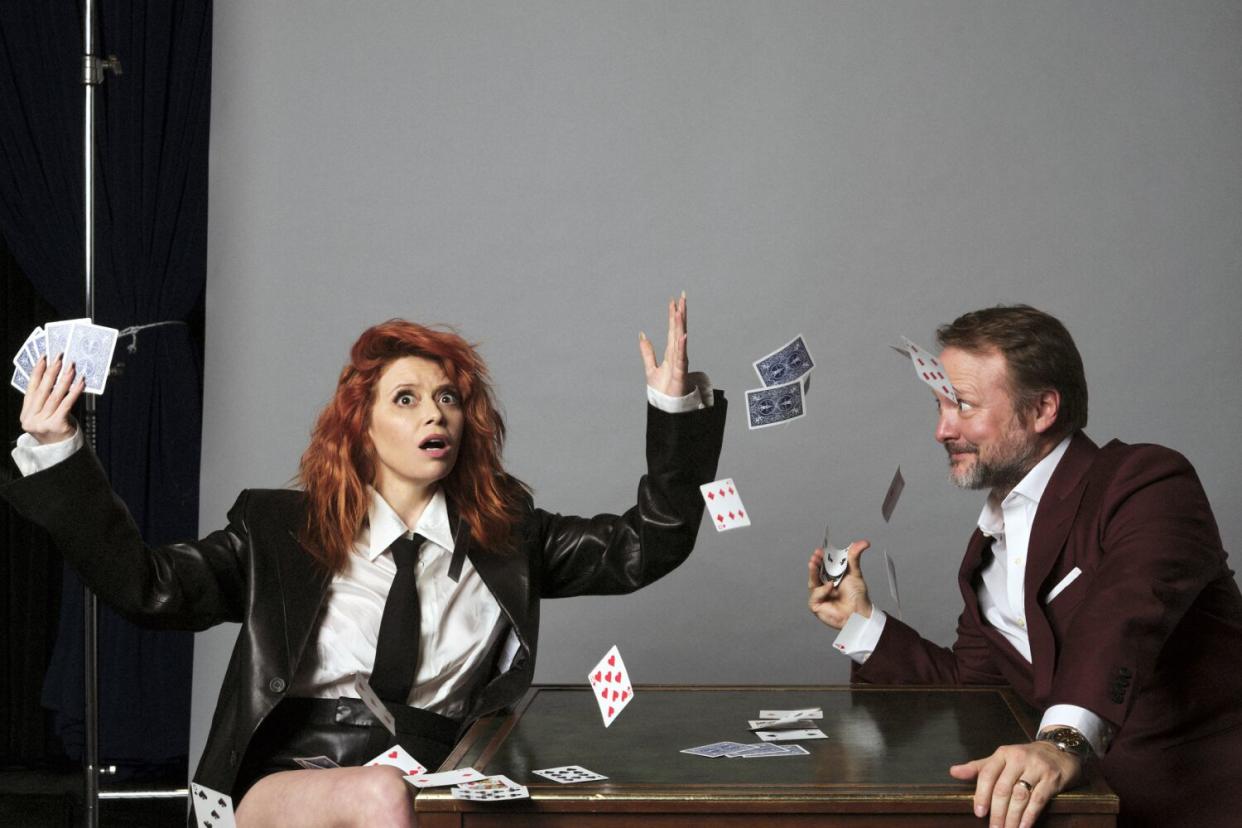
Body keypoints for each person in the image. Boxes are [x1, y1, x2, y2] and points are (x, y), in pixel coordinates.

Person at [2, 294, 726, 827]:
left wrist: (674, 413)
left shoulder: (510, 538)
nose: (434, 415)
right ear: (361, 425)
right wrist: (58, 454)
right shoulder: (278, 532)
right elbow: (146, 587)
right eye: (406, 399)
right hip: (290, 781)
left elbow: (646, 544)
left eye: (448, 399)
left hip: (440, 783)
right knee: (379, 794)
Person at [807, 305, 1242, 828]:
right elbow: (973, 689)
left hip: (1198, 805)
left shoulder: (1144, 481)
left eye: (963, 405)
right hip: (1072, 814)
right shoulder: (985, 552)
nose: (942, 430)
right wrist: (859, 622)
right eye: (939, 405)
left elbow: (1125, 612)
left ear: (1042, 410)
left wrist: (1061, 743)